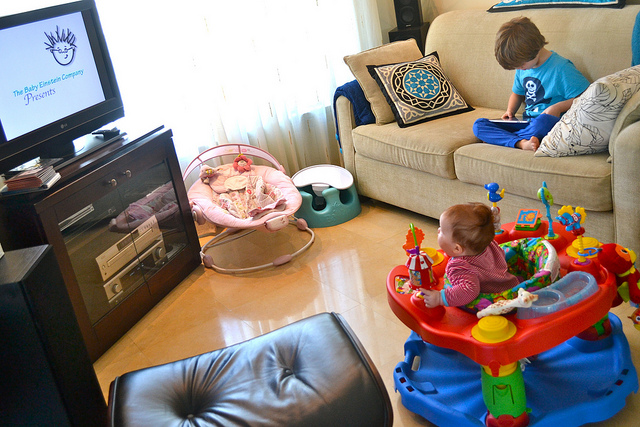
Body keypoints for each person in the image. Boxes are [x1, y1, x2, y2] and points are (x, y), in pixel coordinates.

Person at [472, 17, 590, 151]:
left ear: (535, 49)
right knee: (479, 125)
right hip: (527, 123)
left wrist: (557, 108)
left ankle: (506, 139)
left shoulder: (561, 68)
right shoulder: (522, 69)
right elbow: (516, 94)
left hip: (549, 122)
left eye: (522, 64)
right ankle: (521, 142)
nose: (520, 68)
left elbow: (587, 98)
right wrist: (510, 112)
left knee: (543, 122)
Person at [422, 203, 520, 308]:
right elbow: (501, 255)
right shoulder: (489, 245)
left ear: (457, 249)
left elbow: (469, 291)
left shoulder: (460, 266)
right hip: (511, 285)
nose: (438, 230)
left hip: (497, 303)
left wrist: (439, 298)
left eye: (442, 231)